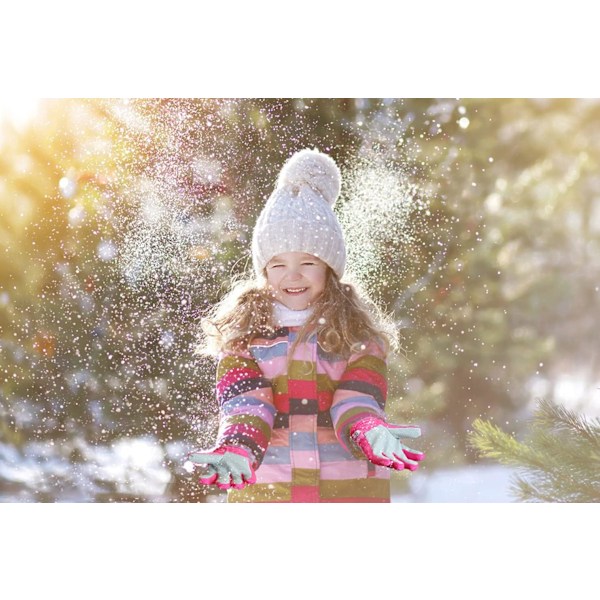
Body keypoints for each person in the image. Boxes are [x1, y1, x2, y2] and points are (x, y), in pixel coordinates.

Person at [184, 148, 424, 502]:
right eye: (277, 264)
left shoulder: (357, 336)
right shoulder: (243, 339)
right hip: (270, 490)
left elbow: (358, 398)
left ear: (330, 267)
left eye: (308, 262)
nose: (292, 276)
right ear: (263, 271)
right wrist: (236, 448)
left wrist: (369, 430)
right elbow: (247, 404)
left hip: (346, 491)